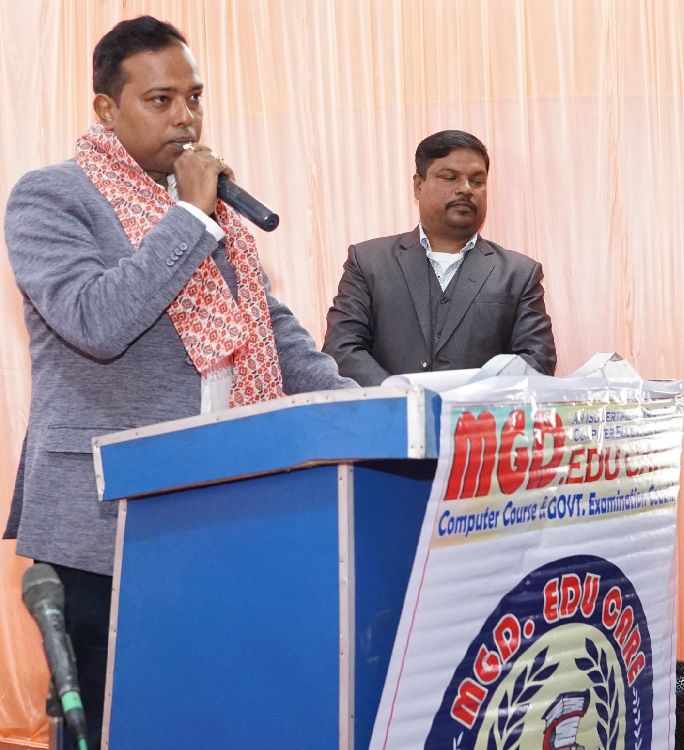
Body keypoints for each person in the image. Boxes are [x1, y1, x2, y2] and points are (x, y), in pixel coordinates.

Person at [3, 16, 355, 749]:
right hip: (105, 519)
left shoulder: (209, 214)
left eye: (194, 98)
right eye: (160, 100)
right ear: (106, 109)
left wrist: (362, 407)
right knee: (108, 716)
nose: (186, 118)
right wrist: (191, 213)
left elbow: (269, 331)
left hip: (223, 501)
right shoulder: (51, 197)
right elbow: (96, 320)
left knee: (207, 708)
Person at [323, 129, 557, 385]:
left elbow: (537, 362)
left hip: (480, 410)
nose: (466, 189)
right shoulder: (368, 262)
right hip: (390, 408)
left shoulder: (519, 273)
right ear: (418, 185)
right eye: (450, 177)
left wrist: (472, 401)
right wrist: (398, 396)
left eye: (477, 181)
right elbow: (341, 348)